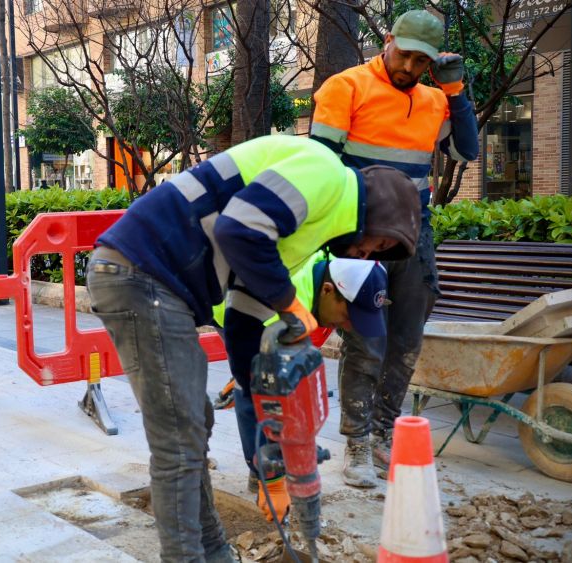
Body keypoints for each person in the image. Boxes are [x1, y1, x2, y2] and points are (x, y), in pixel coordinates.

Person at [86, 133, 421, 561]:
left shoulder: (304, 234)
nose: (369, 252)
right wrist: (290, 305)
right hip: (141, 272)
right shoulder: (326, 173)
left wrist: (266, 421)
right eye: (382, 244)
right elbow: (239, 228)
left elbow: (243, 320)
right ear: (379, 214)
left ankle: (214, 552)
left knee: (194, 423)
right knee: (179, 441)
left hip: (155, 282)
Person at [310, 9, 479, 488]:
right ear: (387, 40)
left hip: (413, 233)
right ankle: (358, 443)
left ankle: (384, 432)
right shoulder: (346, 87)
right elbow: (322, 166)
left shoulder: (433, 99)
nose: (408, 67)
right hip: (359, 232)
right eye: (403, 54)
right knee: (365, 340)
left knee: (405, 340)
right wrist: (339, 240)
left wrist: (455, 92)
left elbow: (465, 151)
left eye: (421, 61)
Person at [213, 252, 390, 521]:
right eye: (348, 315)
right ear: (328, 290)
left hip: (255, 307)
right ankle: (260, 474)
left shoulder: (326, 269)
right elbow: (254, 393)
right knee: (255, 389)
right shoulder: (278, 311)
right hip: (218, 303)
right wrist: (272, 478)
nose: (348, 326)